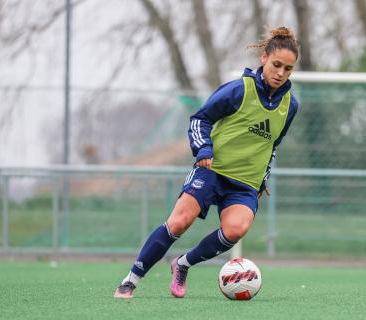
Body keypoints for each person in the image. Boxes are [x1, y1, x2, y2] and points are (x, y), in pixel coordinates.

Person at [114, 26, 300, 299]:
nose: (280, 73)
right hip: (212, 171)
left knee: (236, 229)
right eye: (276, 65)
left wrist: (263, 180)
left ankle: (183, 264)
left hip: (244, 183)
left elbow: (273, 145)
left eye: (288, 68)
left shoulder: (290, 106)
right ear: (264, 58)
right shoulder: (238, 89)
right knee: (179, 222)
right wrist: (204, 150)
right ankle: (130, 280)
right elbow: (200, 119)